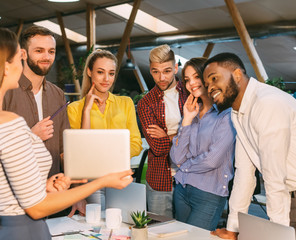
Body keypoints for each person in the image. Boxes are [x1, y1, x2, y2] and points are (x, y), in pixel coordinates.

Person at [0, 26, 133, 240]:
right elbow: (36, 208)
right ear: (5, 66)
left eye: (51, 51)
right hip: (20, 228)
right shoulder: (8, 123)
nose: (20, 61)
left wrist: (46, 186)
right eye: (17, 56)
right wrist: (103, 181)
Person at [203, 52, 296, 240]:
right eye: (207, 84)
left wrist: (276, 235)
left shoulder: (268, 103)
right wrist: (233, 227)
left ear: (237, 75)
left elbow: (274, 177)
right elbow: (244, 174)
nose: (210, 88)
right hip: (289, 200)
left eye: (214, 78)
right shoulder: (237, 113)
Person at [67, 49, 142, 213]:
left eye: (111, 73)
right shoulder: (75, 109)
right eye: (100, 72)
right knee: (95, 229)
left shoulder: (125, 103)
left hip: (120, 177)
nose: (106, 79)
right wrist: (86, 110)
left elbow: (136, 144)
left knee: (122, 228)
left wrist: (104, 156)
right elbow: (79, 152)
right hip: (90, 181)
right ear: (89, 72)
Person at [169, 57, 236, 231]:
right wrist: (186, 121)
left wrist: (184, 168)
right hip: (182, 190)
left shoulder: (227, 115)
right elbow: (176, 157)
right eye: (187, 79)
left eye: (196, 77)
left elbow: (212, 160)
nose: (191, 83)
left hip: (209, 194)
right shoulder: (191, 112)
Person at [3, 25, 69, 178]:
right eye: (39, 51)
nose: (46, 57)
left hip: (54, 187)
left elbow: (64, 149)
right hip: (16, 189)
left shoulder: (58, 94)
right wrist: (31, 135)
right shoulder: (5, 91)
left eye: (51, 51)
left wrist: (77, 186)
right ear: (23, 54)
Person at [137, 44, 187, 218]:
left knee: (189, 232)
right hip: (159, 178)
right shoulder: (146, 103)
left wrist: (168, 136)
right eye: (155, 71)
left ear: (175, 68)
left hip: (189, 177)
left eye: (166, 71)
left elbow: (201, 137)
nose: (161, 77)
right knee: (160, 231)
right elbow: (157, 148)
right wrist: (184, 136)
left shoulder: (190, 94)